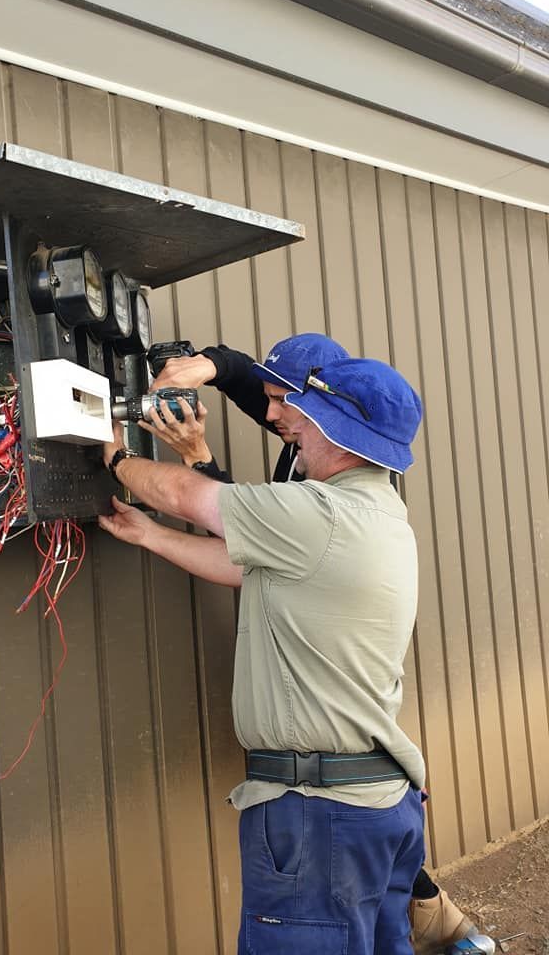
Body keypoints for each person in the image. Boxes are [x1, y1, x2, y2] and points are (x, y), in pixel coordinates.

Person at [145, 334, 477, 955]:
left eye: (281, 402)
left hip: (319, 797)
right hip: (380, 790)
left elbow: (238, 525)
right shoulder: (369, 495)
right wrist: (209, 366)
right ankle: (430, 910)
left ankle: (432, 910)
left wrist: (163, 459)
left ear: (319, 409)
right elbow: (252, 383)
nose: (270, 415)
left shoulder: (327, 499)